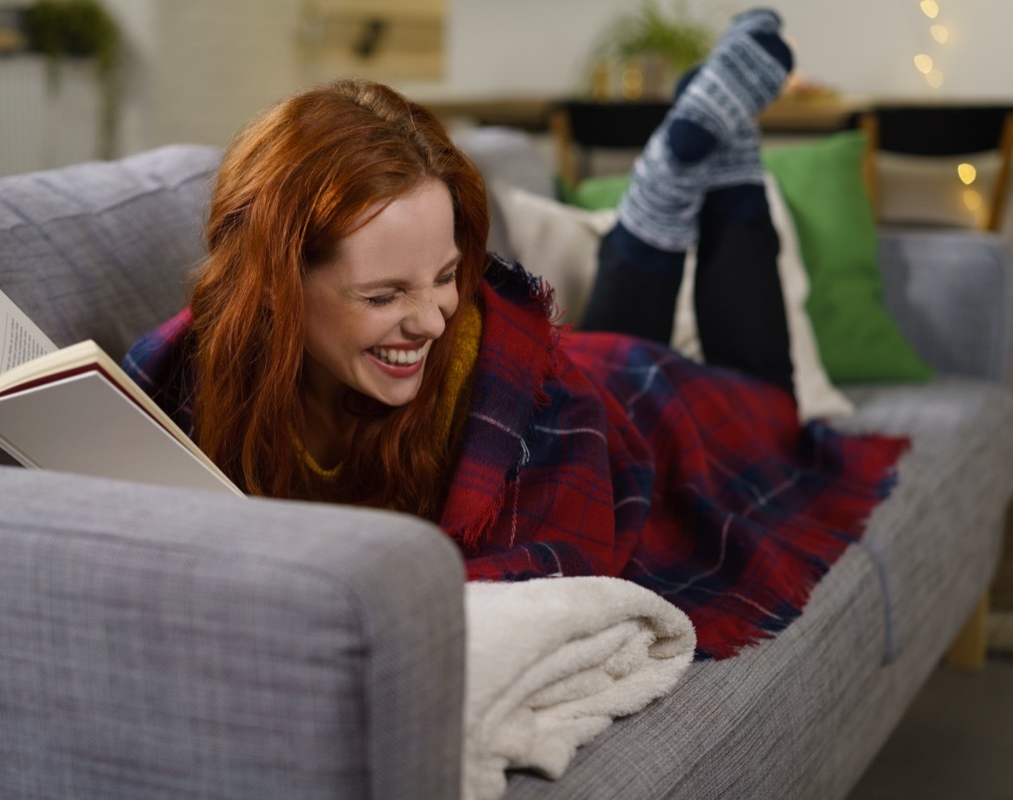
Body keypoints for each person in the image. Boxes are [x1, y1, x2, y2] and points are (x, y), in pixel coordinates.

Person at [123, 9, 907, 660]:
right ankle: (668, 201)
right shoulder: (205, 361)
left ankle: (718, 178)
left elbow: (555, 572)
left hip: (644, 410)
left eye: (446, 277)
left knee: (776, 411)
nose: (432, 319)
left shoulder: (525, 408)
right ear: (274, 291)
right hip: (586, 375)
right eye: (384, 293)